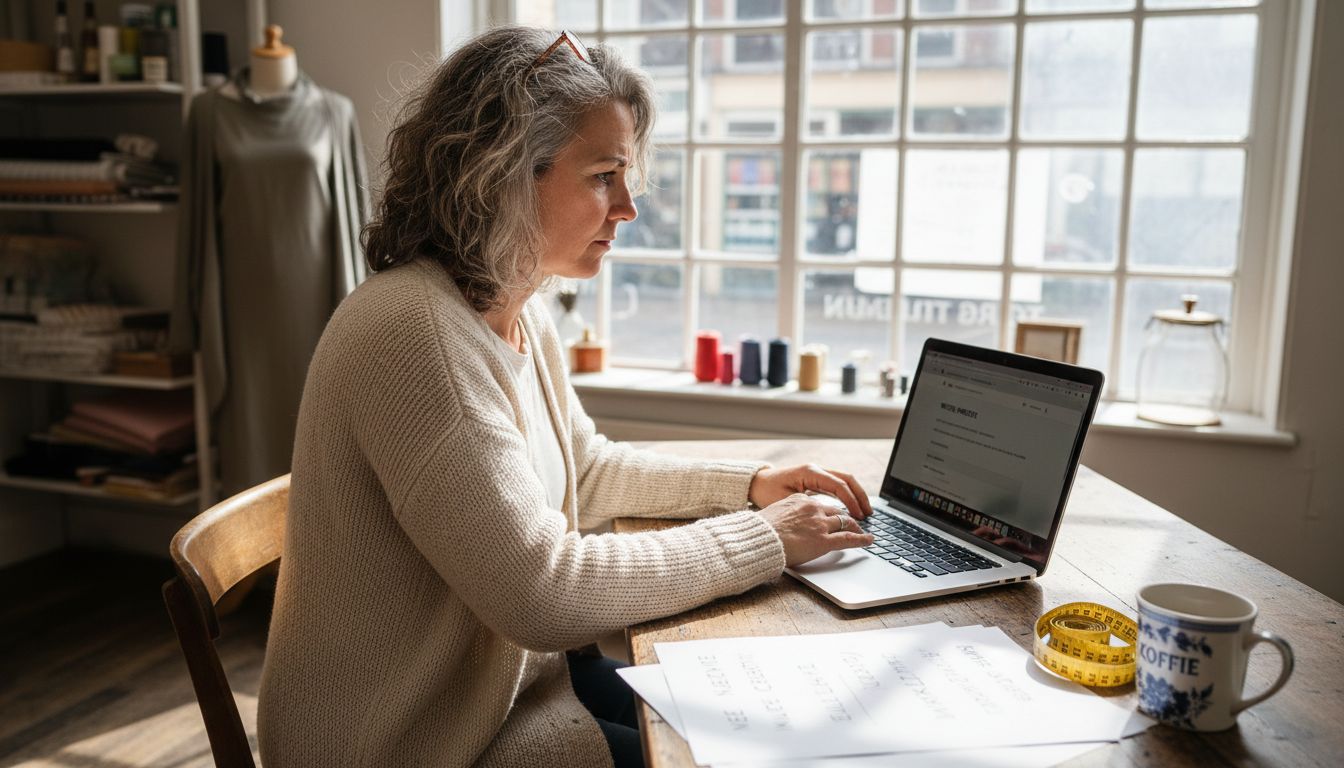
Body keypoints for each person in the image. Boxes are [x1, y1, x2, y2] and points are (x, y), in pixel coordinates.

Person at [257, 26, 875, 768]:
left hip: (510, 694)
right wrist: (763, 537)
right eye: (602, 175)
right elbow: (542, 596)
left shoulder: (515, 303)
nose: (627, 208)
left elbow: (583, 470)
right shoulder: (413, 334)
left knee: (774, 736)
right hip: (410, 742)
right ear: (501, 173)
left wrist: (747, 486)